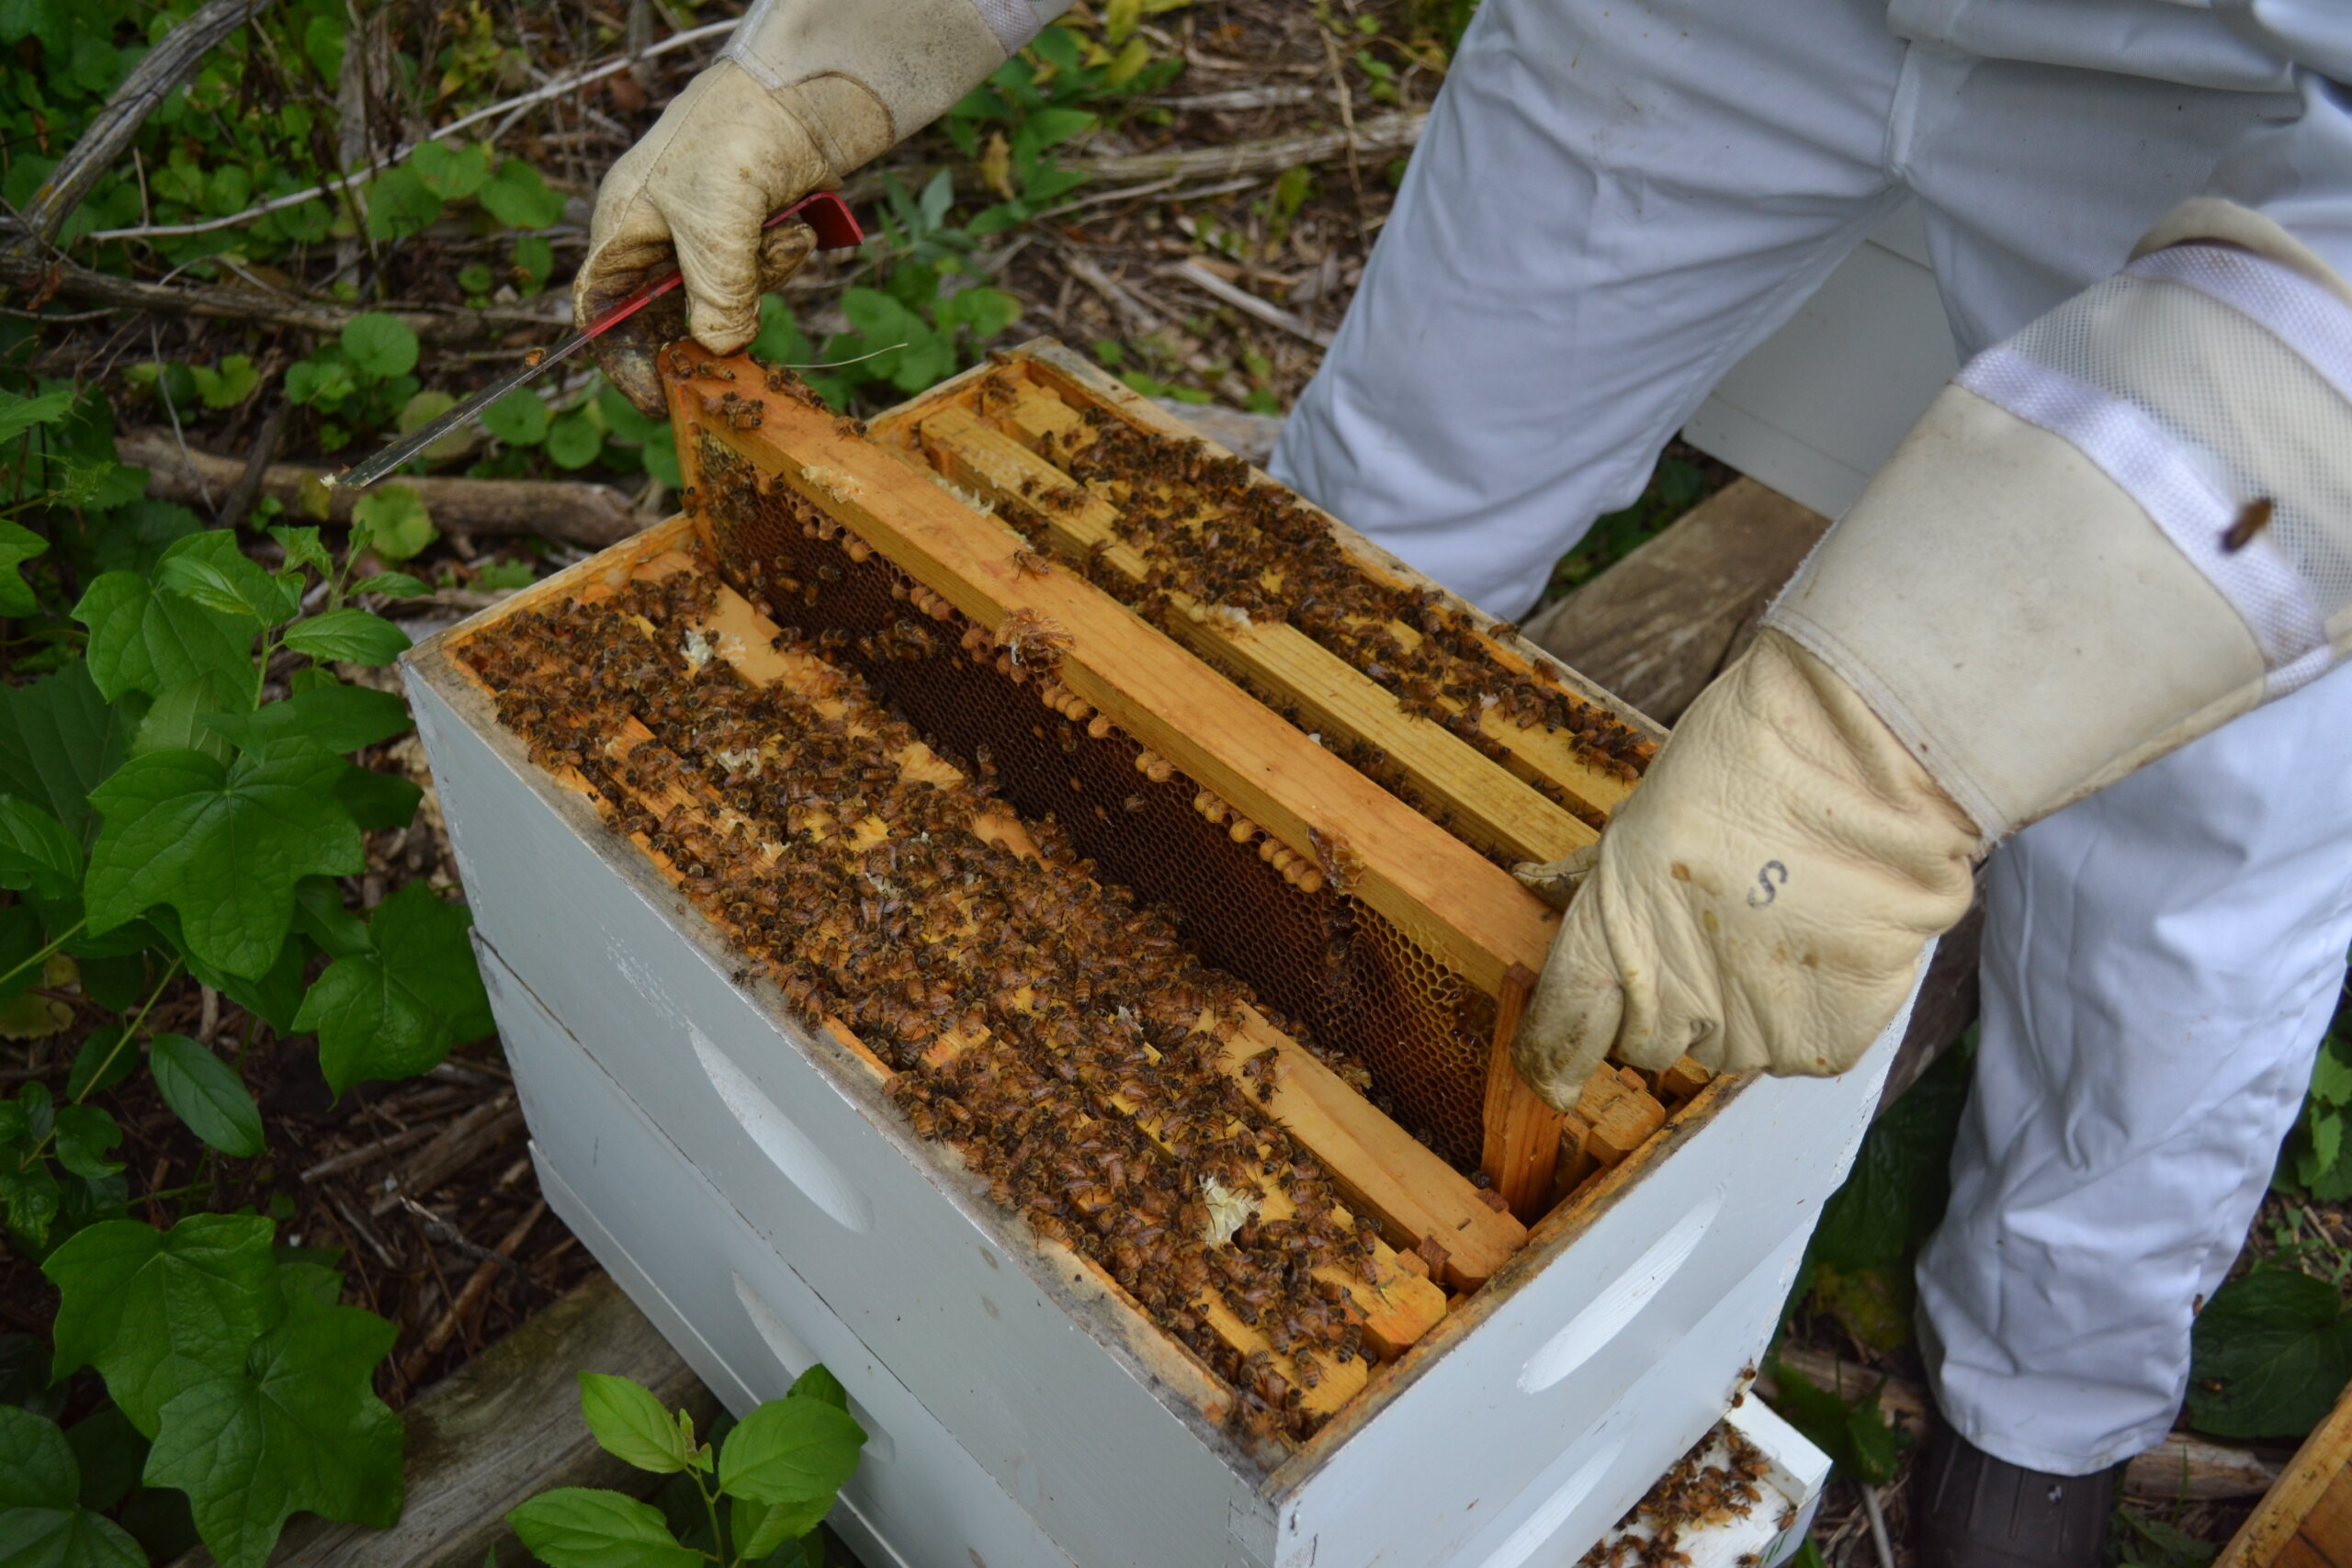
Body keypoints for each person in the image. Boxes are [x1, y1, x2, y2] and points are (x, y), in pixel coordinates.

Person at [579, 2, 2352, 1562]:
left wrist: (1885, 743)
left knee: (2193, 831)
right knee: (1337, 541)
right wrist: (832, 45)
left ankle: (2045, 1404)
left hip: (2240, 79)